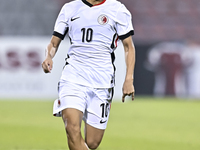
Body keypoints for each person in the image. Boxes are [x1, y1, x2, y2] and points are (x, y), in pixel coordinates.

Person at [42, 0, 135, 149]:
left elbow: (128, 47)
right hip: (73, 76)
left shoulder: (118, 9)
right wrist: (48, 56)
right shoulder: (69, 8)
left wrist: (129, 78)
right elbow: (54, 43)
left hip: (102, 81)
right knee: (72, 129)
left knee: (92, 142)